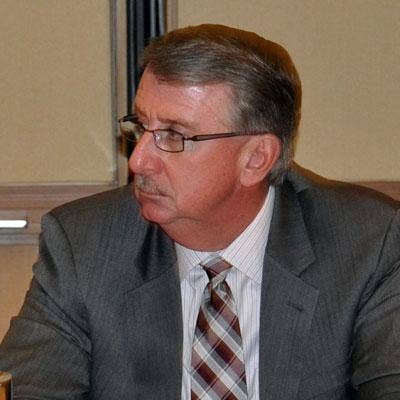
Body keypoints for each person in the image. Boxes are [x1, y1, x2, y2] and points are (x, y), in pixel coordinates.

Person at [0, 24, 399, 400]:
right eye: (141, 127)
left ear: (256, 158)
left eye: (174, 135)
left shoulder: (367, 244)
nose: (138, 161)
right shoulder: (84, 244)